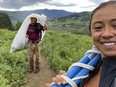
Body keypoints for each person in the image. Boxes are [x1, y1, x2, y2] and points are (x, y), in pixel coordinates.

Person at [46, 1, 116, 87]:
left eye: (115, 26)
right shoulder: (93, 63)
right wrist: (68, 80)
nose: (107, 34)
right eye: (98, 27)